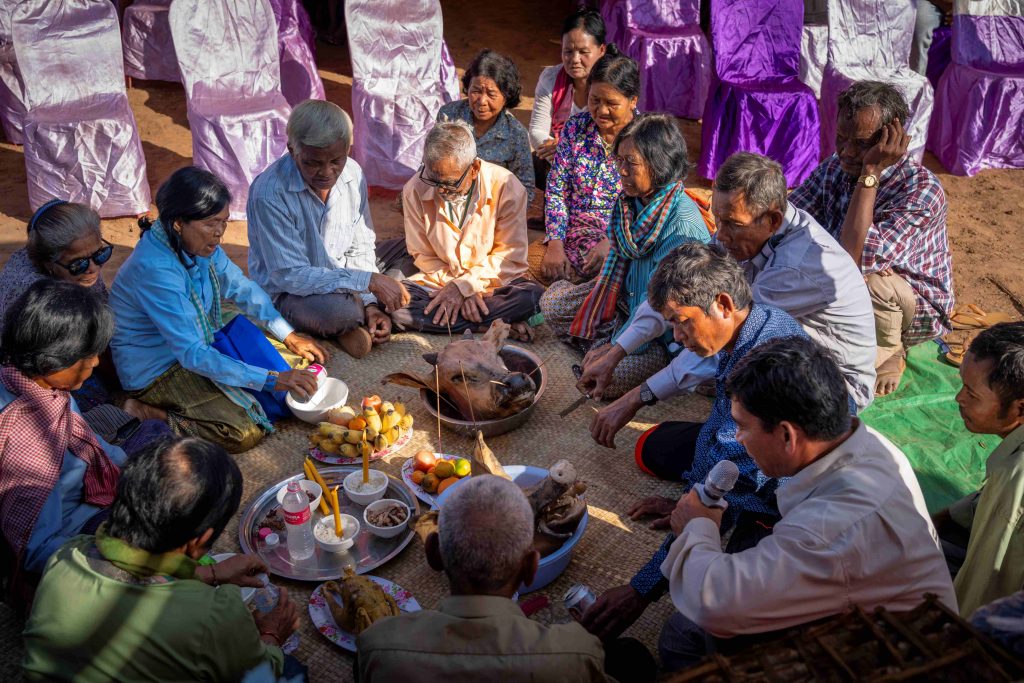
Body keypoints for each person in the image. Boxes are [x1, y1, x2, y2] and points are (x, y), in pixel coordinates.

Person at [656, 336, 957, 670]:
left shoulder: (831, 527)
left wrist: (698, 526)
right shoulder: (873, 445)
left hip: (886, 660)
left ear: (787, 435)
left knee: (683, 637)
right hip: (878, 621)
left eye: (742, 427)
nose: (737, 439)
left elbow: (718, 603)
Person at [581, 242, 809, 642]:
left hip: (780, 507)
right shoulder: (757, 324)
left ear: (722, 304)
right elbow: (719, 439)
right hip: (752, 473)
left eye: (682, 321)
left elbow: (734, 470)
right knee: (652, 448)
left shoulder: (762, 369)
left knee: (689, 633)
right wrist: (691, 497)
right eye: (671, 323)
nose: (678, 336)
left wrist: (640, 590)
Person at [583, 152, 876, 447]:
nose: (720, 236)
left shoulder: (795, 267)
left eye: (732, 224)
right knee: (660, 446)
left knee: (708, 447)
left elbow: (728, 339)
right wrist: (614, 354)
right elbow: (680, 288)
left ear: (772, 220)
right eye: (718, 221)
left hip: (831, 388)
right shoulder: (745, 230)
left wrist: (636, 397)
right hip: (778, 359)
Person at [22, 437, 301, 682]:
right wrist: (272, 636)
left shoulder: (67, 554)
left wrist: (209, 574)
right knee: (290, 670)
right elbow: (256, 676)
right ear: (200, 542)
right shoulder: (211, 614)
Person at [111, 167, 328, 453]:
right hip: (159, 367)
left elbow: (241, 288)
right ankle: (149, 411)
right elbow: (193, 354)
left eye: (224, 222)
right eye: (211, 223)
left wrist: (288, 334)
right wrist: (275, 379)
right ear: (178, 223)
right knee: (243, 430)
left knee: (293, 363)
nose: (219, 233)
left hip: (198, 334)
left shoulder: (197, 245)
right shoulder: (155, 271)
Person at [356, 475, 656, 682]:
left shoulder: (378, 645)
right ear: (530, 568)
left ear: (434, 554)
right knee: (631, 657)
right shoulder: (575, 653)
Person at [0, 281, 169, 611]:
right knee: (153, 531)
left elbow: (95, 447)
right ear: (53, 361)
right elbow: (37, 549)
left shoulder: (30, 379)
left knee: (158, 437)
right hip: (75, 527)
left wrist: (132, 471)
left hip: (86, 487)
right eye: (87, 355)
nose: (94, 363)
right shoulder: (30, 442)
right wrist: (116, 558)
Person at [789, 80, 954, 396]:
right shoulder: (835, 168)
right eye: (841, 138)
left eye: (862, 144)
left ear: (892, 141)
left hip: (907, 304)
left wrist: (872, 172)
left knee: (873, 281)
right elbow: (791, 217)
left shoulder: (921, 191)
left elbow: (855, 259)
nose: (847, 152)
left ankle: (890, 349)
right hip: (841, 278)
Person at [541, 113, 710, 399]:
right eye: (618, 161)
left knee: (611, 381)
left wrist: (617, 348)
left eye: (630, 163)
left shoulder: (682, 227)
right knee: (551, 305)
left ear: (659, 164)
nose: (620, 171)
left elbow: (661, 310)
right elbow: (614, 271)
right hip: (623, 302)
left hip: (661, 332)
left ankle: (606, 348)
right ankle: (601, 345)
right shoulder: (628, 204)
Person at [247, 99, 409, 359]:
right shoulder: (269, 194)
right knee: (338, 313)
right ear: (291, 149)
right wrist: (368, 283)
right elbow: (290, 276)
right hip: (293, 292)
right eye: (312, 163)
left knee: (411, 248)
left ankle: (360, 315)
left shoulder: (353, 173)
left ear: (348, 148)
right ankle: (344, 321)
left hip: (343, 272)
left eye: (336, 160)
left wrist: (370, 304)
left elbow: (361, 244)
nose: (326, 172)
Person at [388, 120, 544, 340]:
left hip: (492, 283)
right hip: (439, 281)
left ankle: (454, 321)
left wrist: (466, 286)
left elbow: (508, 258)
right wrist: (456, 288)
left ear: (474, 169)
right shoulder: (414, 188)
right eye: (433, 180)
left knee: (531, 297)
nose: (441, 190)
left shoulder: (508, 187)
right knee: (396, 308)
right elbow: (422, 255)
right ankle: (486, 326)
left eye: (450, 183)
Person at [934, 322, 1024, 617]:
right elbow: (979, 503)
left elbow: (982, 587)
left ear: (1019, 410)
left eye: (972, 394)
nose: (958, 398)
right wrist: (942, 519)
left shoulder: (1014, 482)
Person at [539, 48, 639, 282]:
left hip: (622, 242)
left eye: (611, 104)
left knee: (612, 281)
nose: (601, 111)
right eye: (595, 100)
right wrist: (555, 244)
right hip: (572, 237)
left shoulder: (645, 140)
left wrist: (612, 241)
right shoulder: (575, 128)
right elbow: (556, 190)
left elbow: (650, 205)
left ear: (632, 101)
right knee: (531, 270)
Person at [437, 49, 535, 203]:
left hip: (493, 208)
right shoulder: (449, 115)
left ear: (506, 96)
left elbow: (525, 189)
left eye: (491, 94)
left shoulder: (516, 134)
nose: (482, 101)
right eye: (476, 91)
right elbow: (431, 162)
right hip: (448, 200)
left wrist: (501, 216)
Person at [528, 9, 608, 190]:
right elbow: (536, 131)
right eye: (568, 51)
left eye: (583, 52)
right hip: (559, 161)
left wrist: (567, 149)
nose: (574, 59)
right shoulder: (550, 77)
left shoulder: (612, 84)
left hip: (601, 164)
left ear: (602, 50)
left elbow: (617, 136)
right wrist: (561, 152)